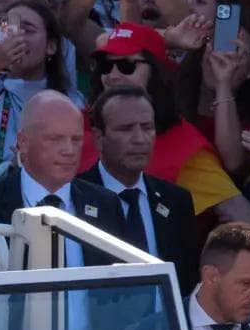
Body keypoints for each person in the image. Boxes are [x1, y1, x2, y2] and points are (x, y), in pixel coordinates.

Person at [0, 91, 122, 275]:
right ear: (23, 142)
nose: (69, 150)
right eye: (55, 139)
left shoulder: (105, 205)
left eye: (76, 139)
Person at [78, 88, 197, 288]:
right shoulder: (75, 198)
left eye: (147, 127)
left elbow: (188, 280)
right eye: (125, 129)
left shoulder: (176, 201)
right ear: (99, 138)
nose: (140, 139)